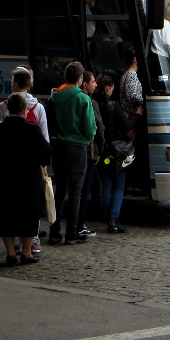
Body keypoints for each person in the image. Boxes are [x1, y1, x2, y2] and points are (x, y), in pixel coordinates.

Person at [0, 93, 52, 266]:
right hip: (28, 178)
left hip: (6, 177)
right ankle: (26, 252)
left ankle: (11, 253)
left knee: (7, 215)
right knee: (29, 214)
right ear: (24, 110)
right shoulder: (31, 128)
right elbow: (46, 152)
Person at [46, 61, 96, 245]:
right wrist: (86, 137)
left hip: (59, 147)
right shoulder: (83, 99)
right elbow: (90, 128)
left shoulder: (54, 97)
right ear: (80, 78)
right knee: (76, 191)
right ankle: (72, 232)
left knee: (60, 191)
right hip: (77, 148)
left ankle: (54, 230)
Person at [94, 74, 140, 234]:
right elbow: (127, 126)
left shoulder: (93, 105)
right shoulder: (114, 106)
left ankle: (109, 220)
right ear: (108, 88)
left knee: (105, 186)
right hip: (116, 152)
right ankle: (114, 219)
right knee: (119, 186)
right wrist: (138, 116)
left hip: (101, 151)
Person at [75, 71, 104, 238]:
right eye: (93, 81)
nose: (95, 85)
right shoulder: (90, 102)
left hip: (74, 150)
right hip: (89, 151)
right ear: (84, 84)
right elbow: (98, 128)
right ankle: (79, 224)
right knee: (85, 190)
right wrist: (101, 149)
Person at [120, 48, 144, 116]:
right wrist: (145, 100)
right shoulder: (131, 75)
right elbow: (132, 96)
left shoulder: (126, 73)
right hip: (132, 114)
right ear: (135, 59)